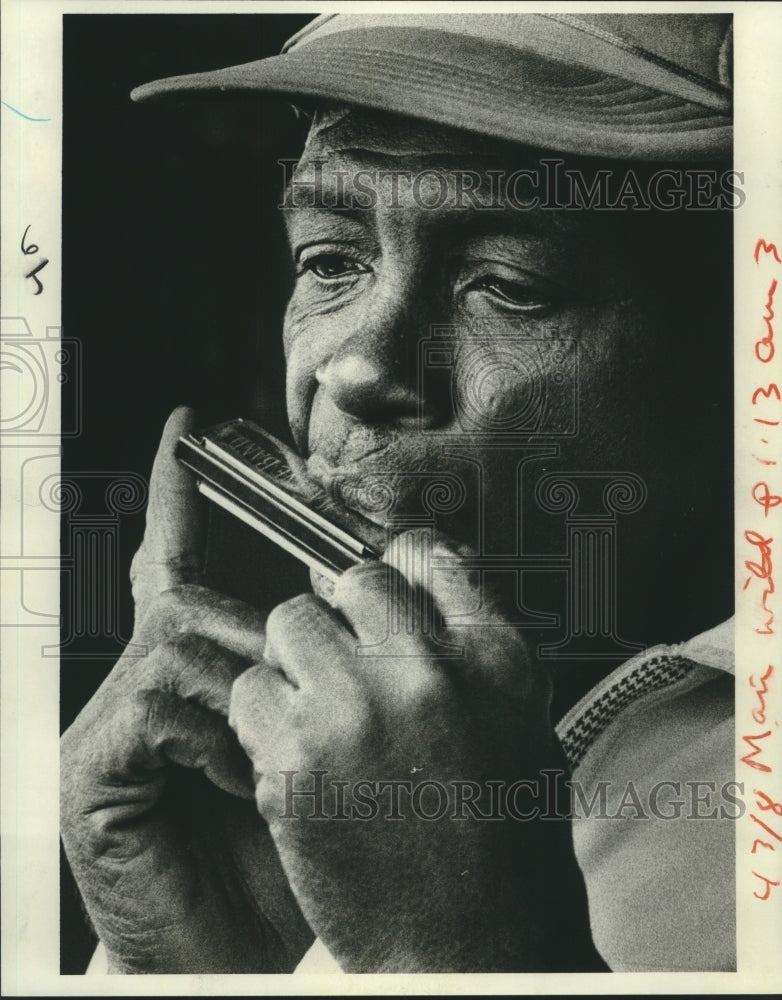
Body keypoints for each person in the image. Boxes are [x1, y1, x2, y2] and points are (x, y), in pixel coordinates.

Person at [60, 12, 736, 974]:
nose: (361, 369)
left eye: (507, 282)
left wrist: (468, 958)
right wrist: (207, 966)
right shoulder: (300, 773)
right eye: (333, 261)